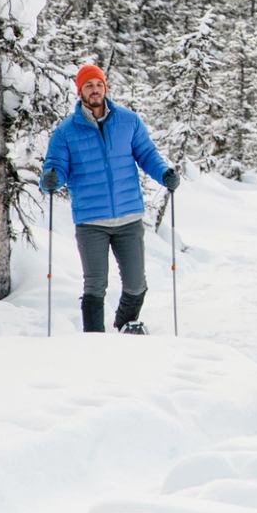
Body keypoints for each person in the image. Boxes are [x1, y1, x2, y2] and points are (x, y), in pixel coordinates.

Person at [40, 63, 177, 334]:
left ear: (105, 87)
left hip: (128, 216)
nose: (94, 90)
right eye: (88, 85)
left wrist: (164, 173)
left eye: (98, 84)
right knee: (95, 285)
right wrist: (50, 180)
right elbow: (55, 168)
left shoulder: (128, 121)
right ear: (80, 92)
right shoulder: (66, 131)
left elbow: (147, 154)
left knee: (136, 283)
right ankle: (94, 340)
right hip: (92, 221)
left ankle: (124, 327)